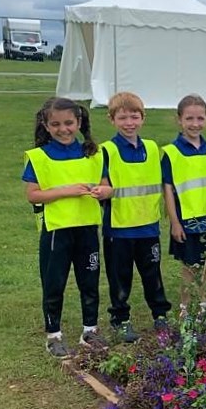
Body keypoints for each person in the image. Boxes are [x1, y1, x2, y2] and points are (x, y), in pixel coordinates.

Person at [23, 97, 111, 357]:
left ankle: (90, 331)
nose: (64, 129)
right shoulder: (39, 157)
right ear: (46, 125)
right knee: (54, 283)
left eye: (69, 123)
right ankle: (54, 335)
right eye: (56, 124)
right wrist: (66, 191)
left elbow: (107, 186)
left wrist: (105, 191)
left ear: (79, 122)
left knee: (90, 281)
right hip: (56, 231)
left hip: (86, 229)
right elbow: (33, 195)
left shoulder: (93, 154)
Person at [101, 92, 171, 342]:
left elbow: (164, 183)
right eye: (122, 117)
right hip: (119, 229)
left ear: (143, 118)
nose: (129, 122)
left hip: (148, 227)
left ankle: (160, 316)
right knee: (120, 277)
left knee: (152, 274)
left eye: (134, 116)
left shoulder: (152, 148)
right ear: (112, 120)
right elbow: (102, 185)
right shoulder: (106, 151)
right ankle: (121, 319)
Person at [162, 94, 206, 307]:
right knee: (190, 267)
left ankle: (205, 305)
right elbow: (168, 190)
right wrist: (175, 223)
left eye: (200, 119)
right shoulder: (172, 152)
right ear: (179, 120)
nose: (195, 124)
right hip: (186, 221)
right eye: (189, 119)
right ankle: (186, 308)